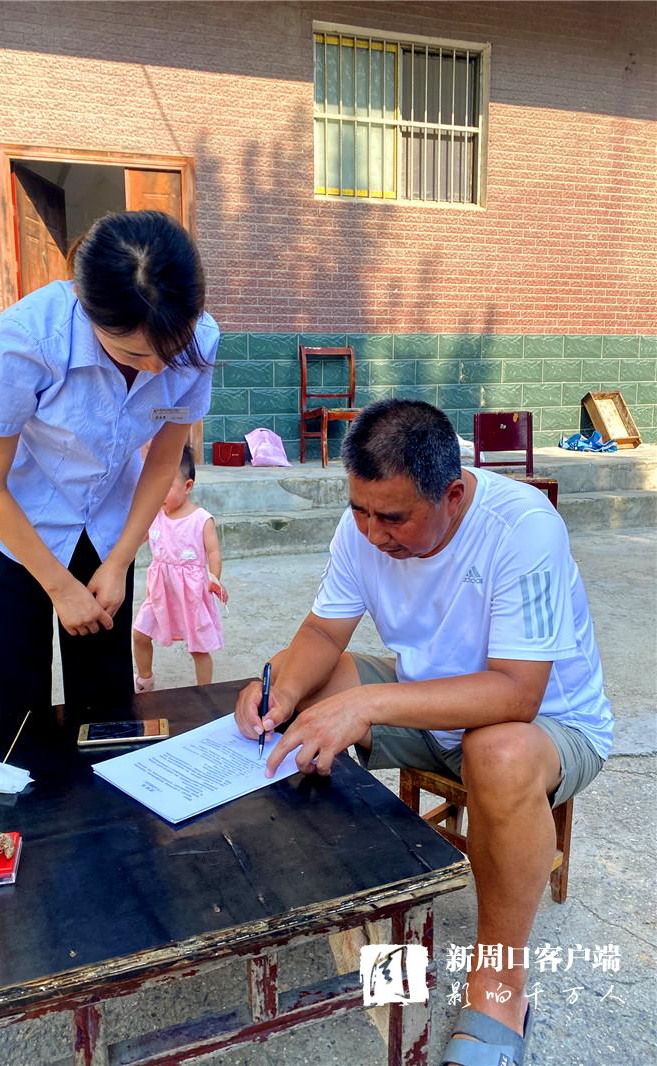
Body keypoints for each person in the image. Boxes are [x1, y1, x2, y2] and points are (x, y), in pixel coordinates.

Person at [235, 399, 612, 1066]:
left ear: (454, 494)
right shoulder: (364, 524)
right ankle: (338, 902)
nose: (372, 532)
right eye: (359, 510)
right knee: (296, 680)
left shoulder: (523, 527)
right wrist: (281, 692)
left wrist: (368, 704)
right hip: (428, 697)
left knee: (495, 751)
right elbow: (323, 631)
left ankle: (499, 988)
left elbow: (517, 694)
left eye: (393, 518)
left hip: (549, 726)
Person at [0, 211, 219, 737]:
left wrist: (120, 560)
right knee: (14, 709)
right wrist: (59, 587)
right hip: (15, 527)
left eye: (171, 351)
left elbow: (162, 461)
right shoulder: (27, 339)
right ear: (83, 299)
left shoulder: (200, 338)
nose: (157, 368)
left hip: (105, 527)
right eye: (133, 352)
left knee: (104, 708)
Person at [133, 445, 227, 689]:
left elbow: (214, 552)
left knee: (198, 648)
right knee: (140, 634)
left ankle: (204, 690)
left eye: (166, 486)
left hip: (191, 595)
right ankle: (145, 680)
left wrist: (214, 577)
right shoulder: (156, 514)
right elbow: (137, 538)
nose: (159, 493)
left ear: (188, 486)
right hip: (160, 593)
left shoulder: (201, 519)